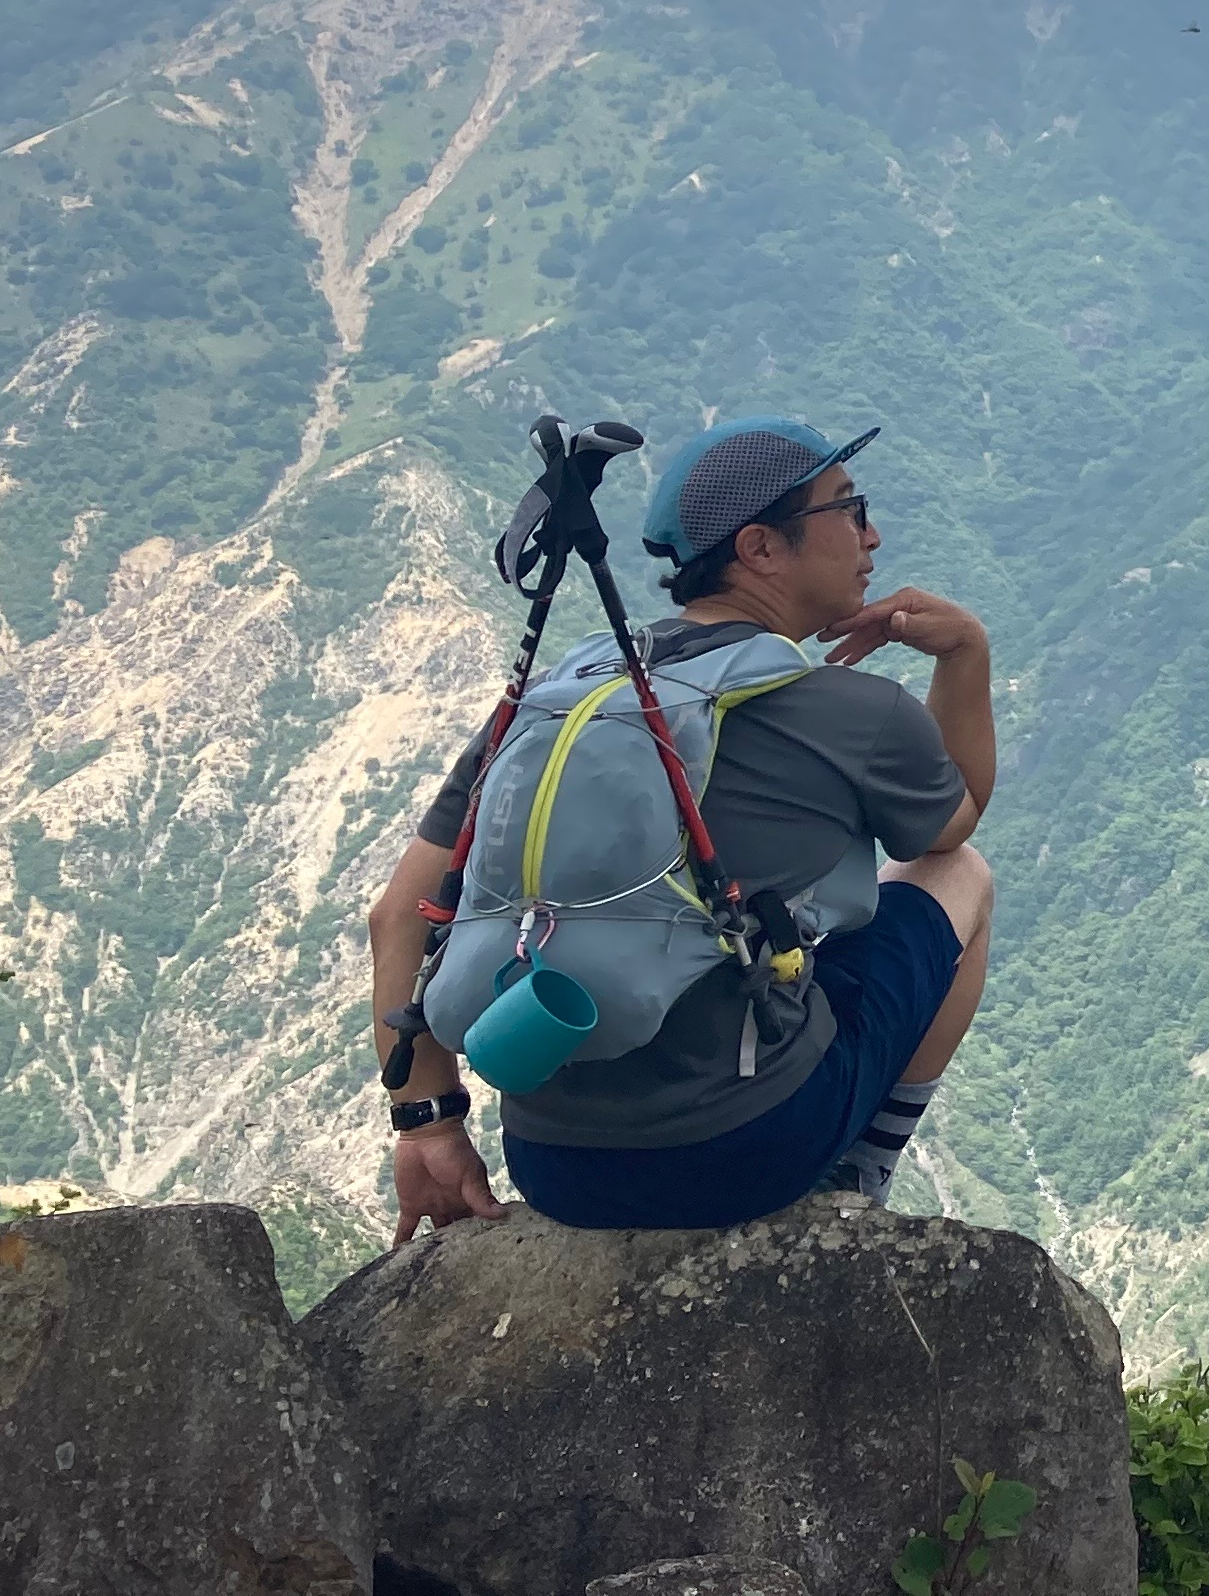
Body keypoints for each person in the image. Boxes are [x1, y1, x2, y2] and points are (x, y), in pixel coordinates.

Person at [367, 414, 994, 1239]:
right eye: (850, 508)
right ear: (762, 547)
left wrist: (431, 1124)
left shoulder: (559, 696)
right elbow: (949, 827)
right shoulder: (853, 710)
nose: (872, 535)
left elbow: (396, 916)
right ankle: (856, 1171)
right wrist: (967, 654)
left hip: (555, 1164)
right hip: (748, 1151)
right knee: (962, 878)